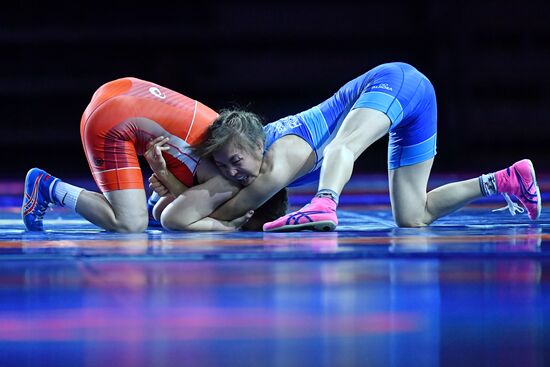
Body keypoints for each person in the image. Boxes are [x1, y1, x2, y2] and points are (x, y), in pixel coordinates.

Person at [187, 62, 541, 231]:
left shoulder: (275, 161)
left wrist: (173, 186)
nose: (232, 173)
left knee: (345, 143)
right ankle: (505, 180)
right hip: (413, 101)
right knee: (414, 216)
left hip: (395, 82)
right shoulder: (258, 151)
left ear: (256, 145)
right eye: (224, 168)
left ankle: (324, 202)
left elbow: (223, 213)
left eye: (235, 161)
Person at [22, 77, 285, 232]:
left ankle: (138, 202)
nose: (235, 174)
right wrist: (226, 227)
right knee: (130, 224)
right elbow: (176, 217)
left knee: (149, 214)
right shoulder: (229, 183)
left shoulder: (232, 134)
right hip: (114, 120)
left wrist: (166, 179)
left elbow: (165, 209)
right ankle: (48, 187)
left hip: (122, 90)